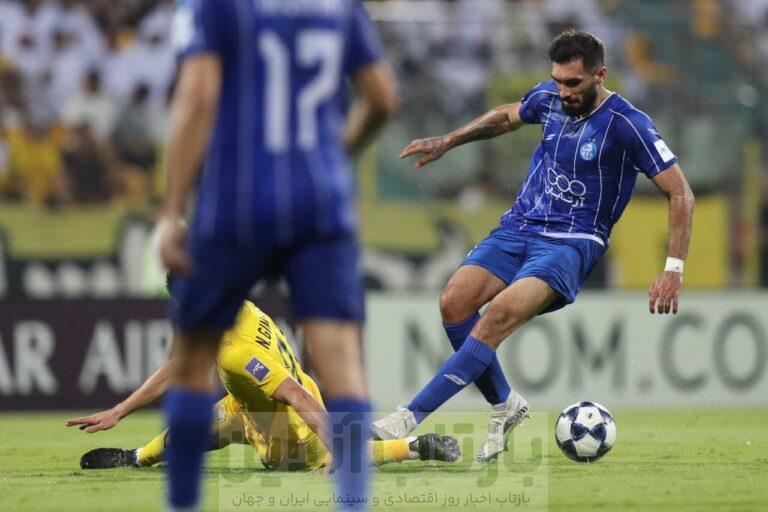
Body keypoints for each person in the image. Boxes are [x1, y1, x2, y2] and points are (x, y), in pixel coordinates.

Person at [372, 29, 694, 462]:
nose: (563, 92)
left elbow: (680, 192)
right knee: (454, 303)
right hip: (519, 227)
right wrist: (450, 140)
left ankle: (405, 419)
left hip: (572, 243)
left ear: (600, 75)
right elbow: (505, 117)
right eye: (558, 81)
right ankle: (505, 404)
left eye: (573, 83)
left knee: (496, 317)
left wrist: (673, 268)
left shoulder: (627, 124)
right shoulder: (549, 98)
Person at [157, 1, 397, 510]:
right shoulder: (340, 7)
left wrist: (172, 208)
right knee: (342, 365)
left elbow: (197, 95)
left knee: (195, 359)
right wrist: (335, 156)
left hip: (235, 201)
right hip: (320, 204)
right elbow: (381, 98)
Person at [67, 301, 459, 471]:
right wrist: (119, 411)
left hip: (288, 428)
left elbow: (296, 396)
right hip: (245, 409)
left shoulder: (235, 352)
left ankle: (414, 447)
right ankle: (134, 458)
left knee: (334, 457)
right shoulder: (238, 308)